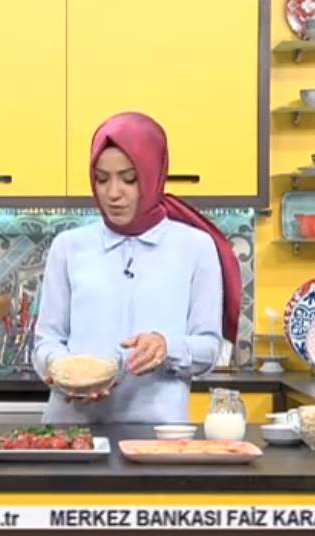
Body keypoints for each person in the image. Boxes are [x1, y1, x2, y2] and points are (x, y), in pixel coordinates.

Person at [33, 112, 241, 424]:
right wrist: (60, 368)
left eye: (129, 179)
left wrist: (166, 347)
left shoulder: (196, 247)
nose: (112, 193)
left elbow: (209, 347)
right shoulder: (68, 246)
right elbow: (46, 341)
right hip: (72, 431)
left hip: (157, 435)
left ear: (153, 175)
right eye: (101, 179)